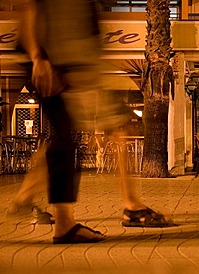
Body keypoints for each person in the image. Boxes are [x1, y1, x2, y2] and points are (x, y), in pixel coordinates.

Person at [12, 0, 174, 244]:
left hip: (73, 63)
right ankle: (75, 218)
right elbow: (30, 7)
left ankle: (29, 201)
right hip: (58, 62)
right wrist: (38, 57)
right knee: (71, 135)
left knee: (73, 133)